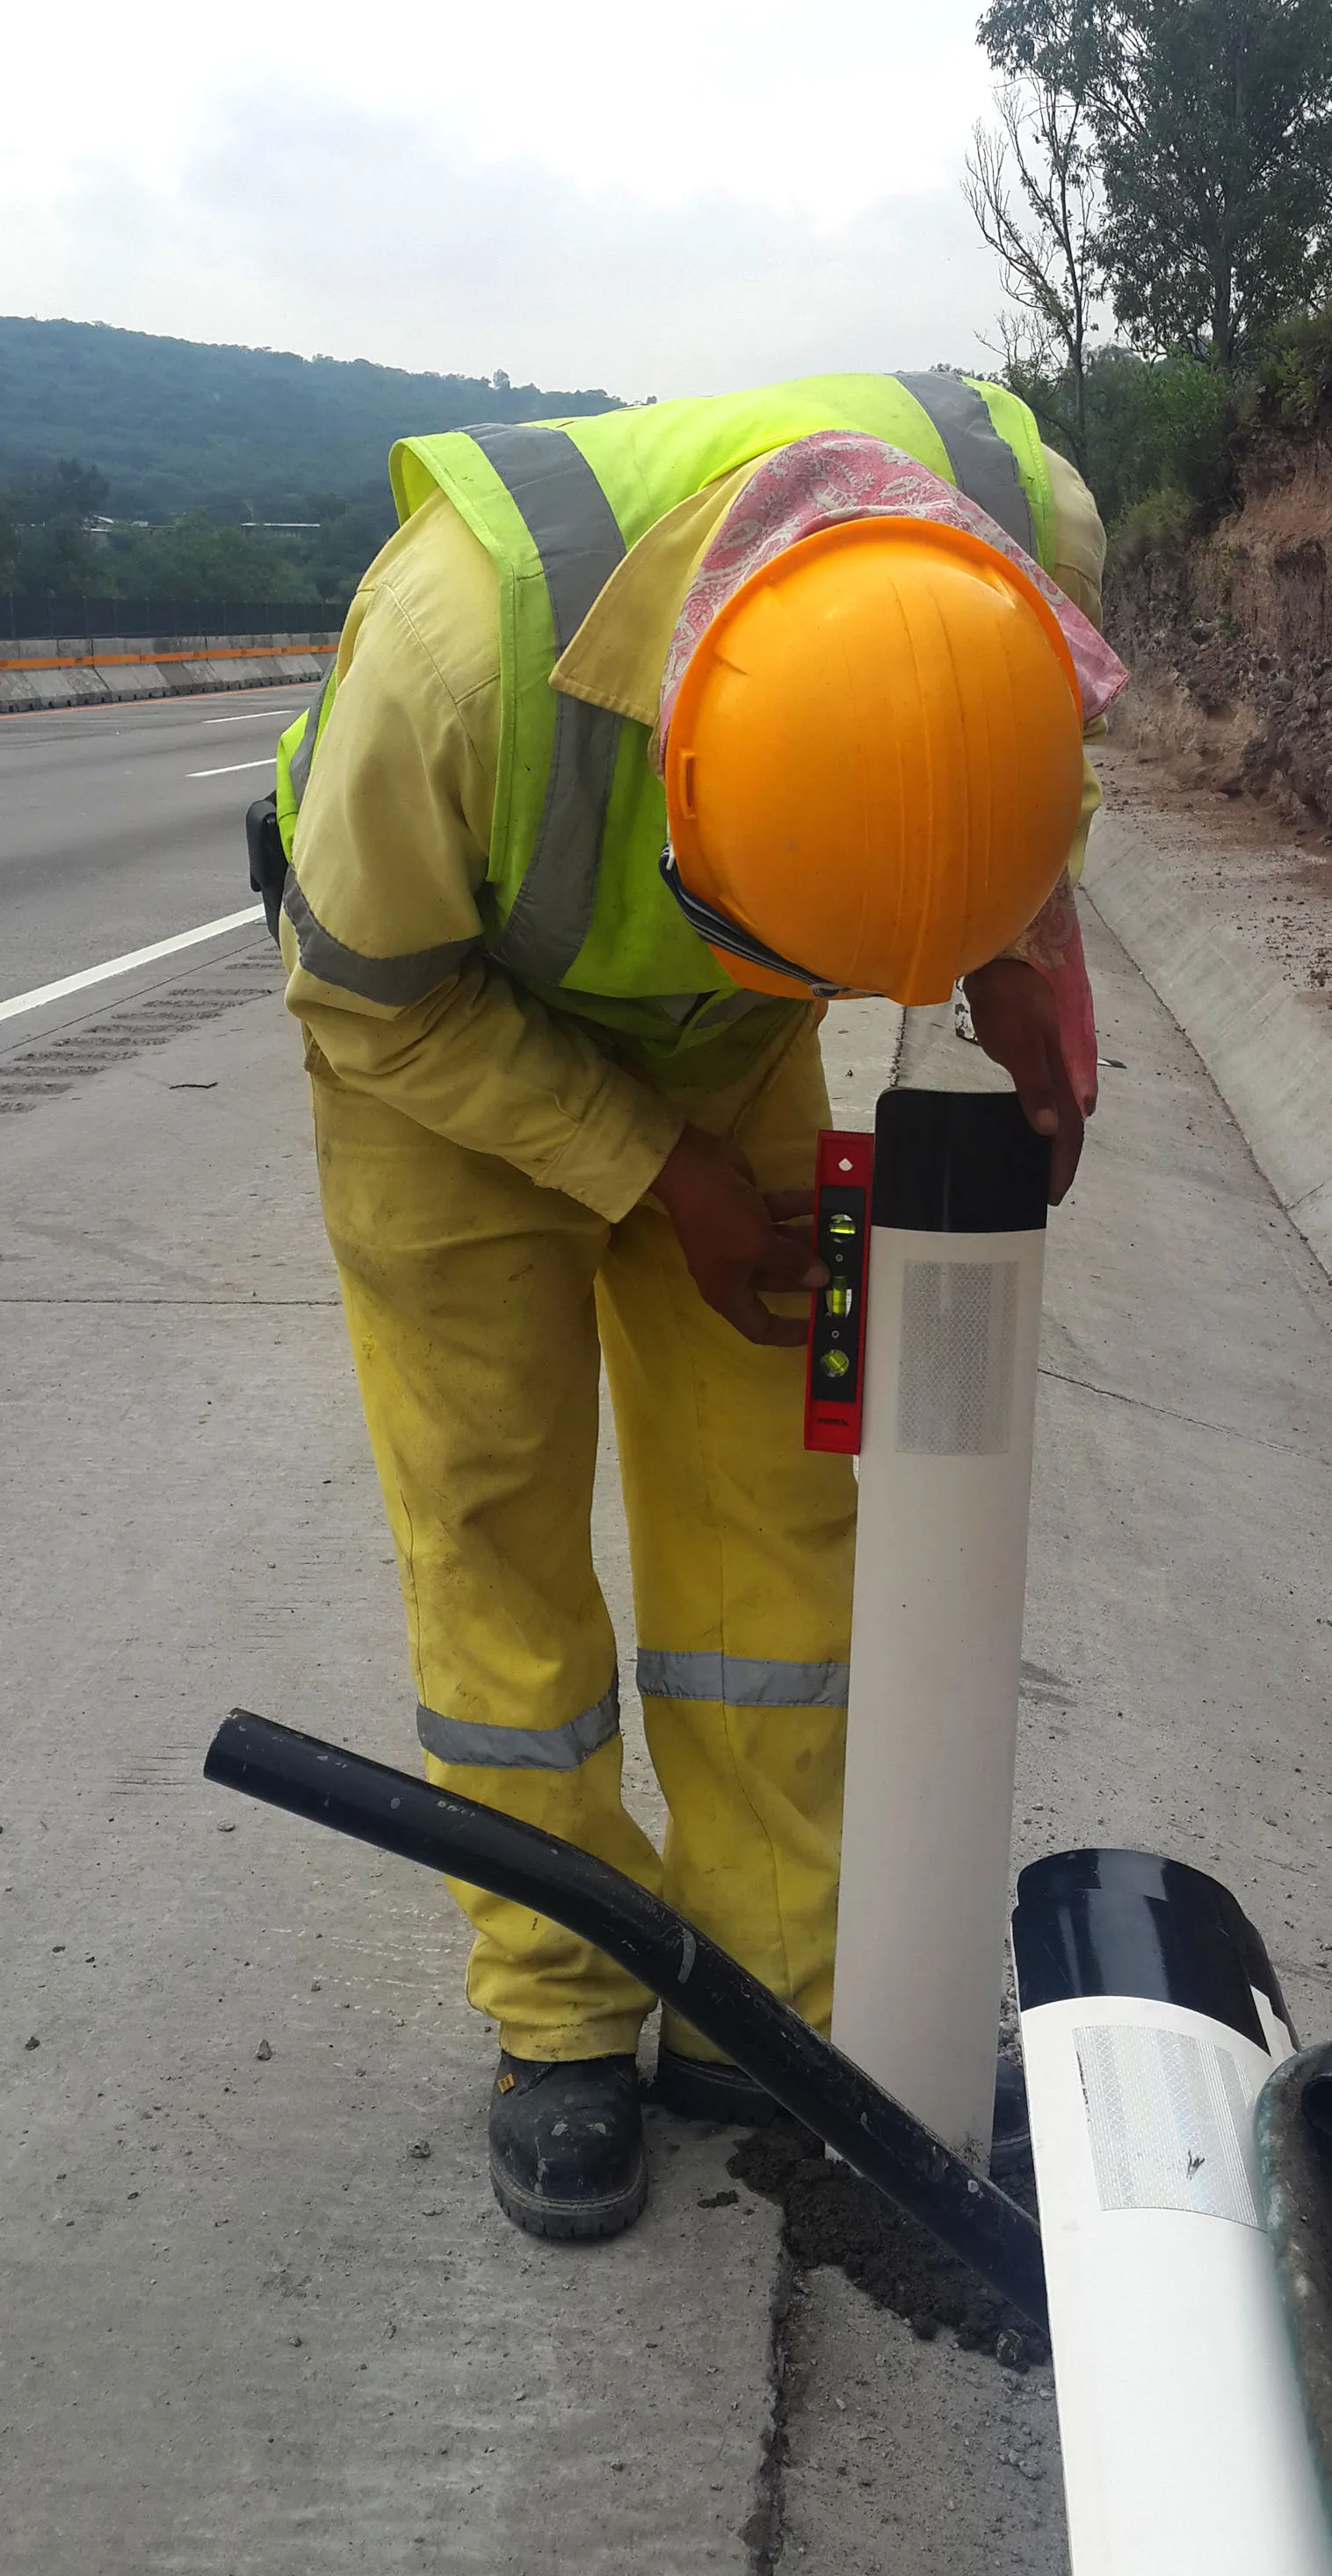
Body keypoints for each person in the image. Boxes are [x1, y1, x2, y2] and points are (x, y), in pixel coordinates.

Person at [268, 370, 1123, 2242]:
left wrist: (1017, 938)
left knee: (772, 1514)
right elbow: (365, 992)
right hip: (445, 1049)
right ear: (686, 775)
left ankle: (770, 2002)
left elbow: (977, 762)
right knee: (493, 1518)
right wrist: (664, 1173)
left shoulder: (1021, 526)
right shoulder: (450, 673)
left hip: (720, 1035)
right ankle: (563, 2015)